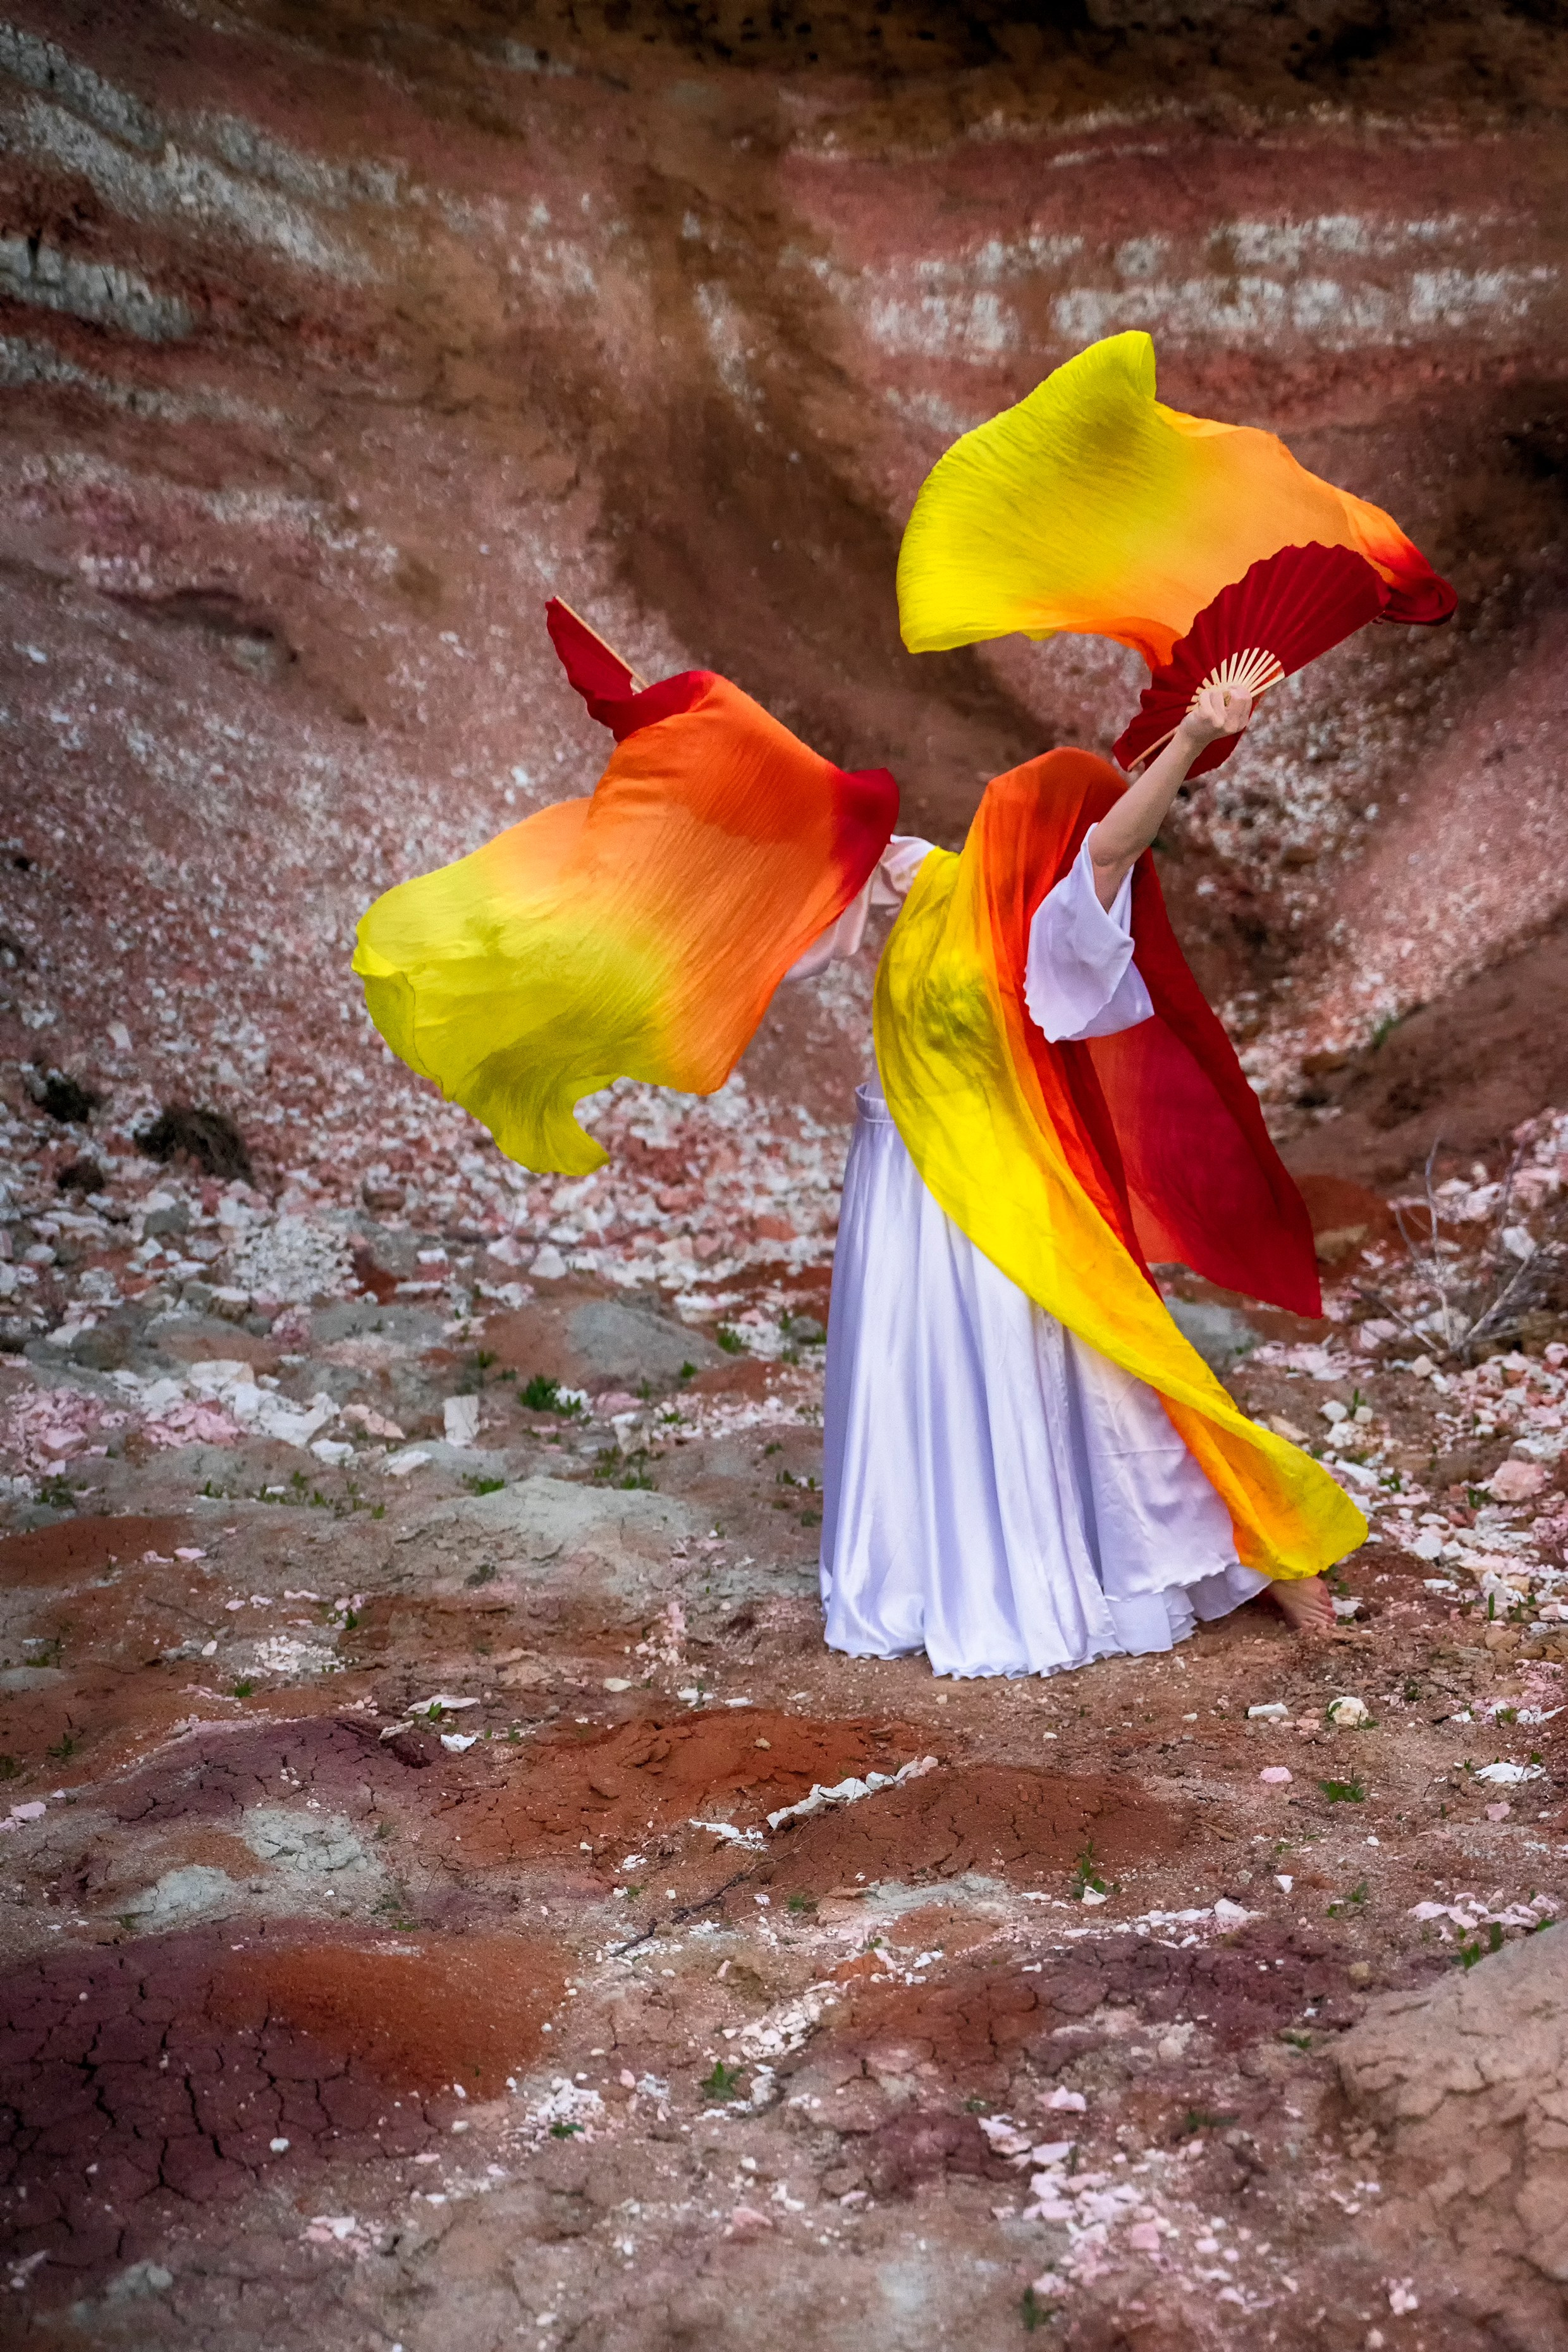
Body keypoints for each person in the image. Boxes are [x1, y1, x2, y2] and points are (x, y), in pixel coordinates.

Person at [786, 681, 1345, 1682]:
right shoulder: (932, 880)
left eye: (1036, 803)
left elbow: (1117, 844)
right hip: (893, 1174)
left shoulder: (1045, 924)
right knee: (906, 1374)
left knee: (1071, 1372)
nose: (1009, 798)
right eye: (1014, 790)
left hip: (985, 1192)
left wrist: (1191, 740)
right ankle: (913, 1570)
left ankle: (1232, 1550)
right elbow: (816, 873)